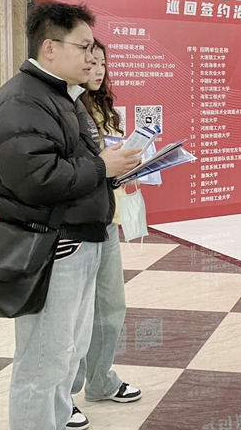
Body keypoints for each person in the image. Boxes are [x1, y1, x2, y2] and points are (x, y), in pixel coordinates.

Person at [0, 1, 141, 430]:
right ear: (50, 47)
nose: (92, 57)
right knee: (43, 362)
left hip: (73, 240)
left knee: (64, 355)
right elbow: (35, 179)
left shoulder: (60, 97)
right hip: (52, 245)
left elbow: (70, 165)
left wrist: (108, 168)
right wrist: (102, 167)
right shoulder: (24, 100)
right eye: (84, 47)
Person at [65, 39, 143, 428]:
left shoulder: (104, 107)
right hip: (73, 224)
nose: (97, 70)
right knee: (70, 316)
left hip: (106, 219)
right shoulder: (63, 107)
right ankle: (62, 396)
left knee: (110, 307)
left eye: (102, 63)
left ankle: (100, 380)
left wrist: (132, 165)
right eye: (91, 62)